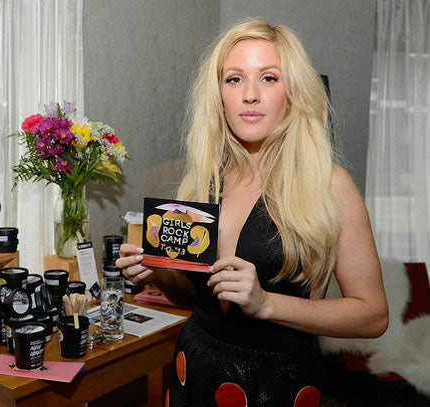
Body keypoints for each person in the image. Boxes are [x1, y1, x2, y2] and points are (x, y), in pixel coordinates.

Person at [116, 19, 388, 407]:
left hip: (276, 384)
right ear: (219, 95)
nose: (250, 95)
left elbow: (373, 316)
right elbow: (199, 300)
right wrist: (157, 272)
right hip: (192, 371)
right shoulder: (204, 180)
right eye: (235, 79)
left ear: (293, 92)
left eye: (269, 78)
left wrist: (267, 304)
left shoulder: (329, 185)